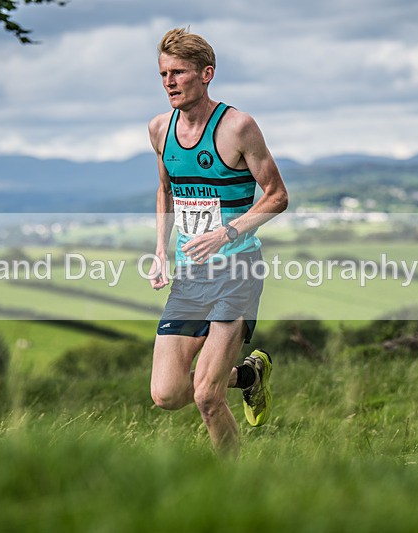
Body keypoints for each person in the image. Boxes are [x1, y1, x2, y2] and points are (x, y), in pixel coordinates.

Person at [147, 28, 288, 457]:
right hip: (191, 276)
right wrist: (160, 250)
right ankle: (247, 375)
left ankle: (235, 485)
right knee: (168, 394)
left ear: (206, 74)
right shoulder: (159, 130)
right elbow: (166, 192)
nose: (169, 82)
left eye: (179, 73)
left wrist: (228, 232)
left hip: (237, 272)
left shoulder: (238, 127)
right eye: (163, 73)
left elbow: (277, 195)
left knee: (207, 396)